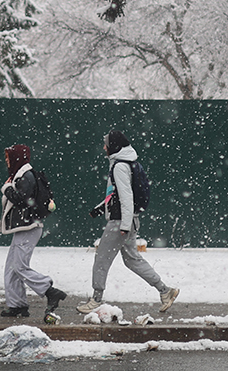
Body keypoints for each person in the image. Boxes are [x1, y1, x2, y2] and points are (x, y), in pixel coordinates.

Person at [77, 130, 179, 314]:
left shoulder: (119, 167)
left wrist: (124, 225)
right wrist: (101, 208)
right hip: (129, 220)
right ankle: (165, 291)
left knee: (101, 259)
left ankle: (96, 299)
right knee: (133, 260)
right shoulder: (127, 164)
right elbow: (116, 195)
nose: (104, 148)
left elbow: (126, 197)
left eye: (106, 144)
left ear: (114, 146)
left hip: (120, 222)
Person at [0, 143, 67, 320]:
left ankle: (50, 291)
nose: (6, 161)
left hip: (28, 227)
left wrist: (7, 189)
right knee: (12, 267)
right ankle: (17, 305)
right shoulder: (22, 175)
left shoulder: (25, 176)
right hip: (25, 227)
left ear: (16, 158)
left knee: (19, 266)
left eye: (8, 157)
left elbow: (22, 200)